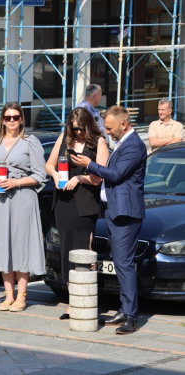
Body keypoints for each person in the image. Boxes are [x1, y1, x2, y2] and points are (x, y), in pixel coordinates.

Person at [71, 105, 147, 334]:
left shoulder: (134, 145)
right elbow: (113, 176)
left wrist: (90, 164)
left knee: (124, 264)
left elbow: (116, 175)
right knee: (120, 263)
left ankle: (131, 317)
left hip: (125, 213)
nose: (108, 132)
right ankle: (125, 309)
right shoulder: (122, 143)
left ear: (124, 124)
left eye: (111, 128)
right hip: (114, 211)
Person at [0, 103, 47, 313]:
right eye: (8, 117)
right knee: (2, 244)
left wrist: (15, 183)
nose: (11, 121)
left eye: (16, 117)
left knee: (21, 245)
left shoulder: (30, 142)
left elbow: (40, 175)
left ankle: (22, 295)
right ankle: (8, 295)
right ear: (2, 119)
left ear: (21, 119)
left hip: (22, 197)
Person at [45, 107, 109, 319]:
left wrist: (79, 178)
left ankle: (87, 299)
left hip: (84, 203)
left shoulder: (98, 142)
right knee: (66, 252)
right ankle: (73, 302)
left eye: (81, 129)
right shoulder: (64, 138)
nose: (78, 133)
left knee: (84, 250)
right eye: (75, 129)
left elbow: (100, 175)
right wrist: (55, 176)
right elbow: (49, 164)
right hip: (64, 201)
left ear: (88, 125)